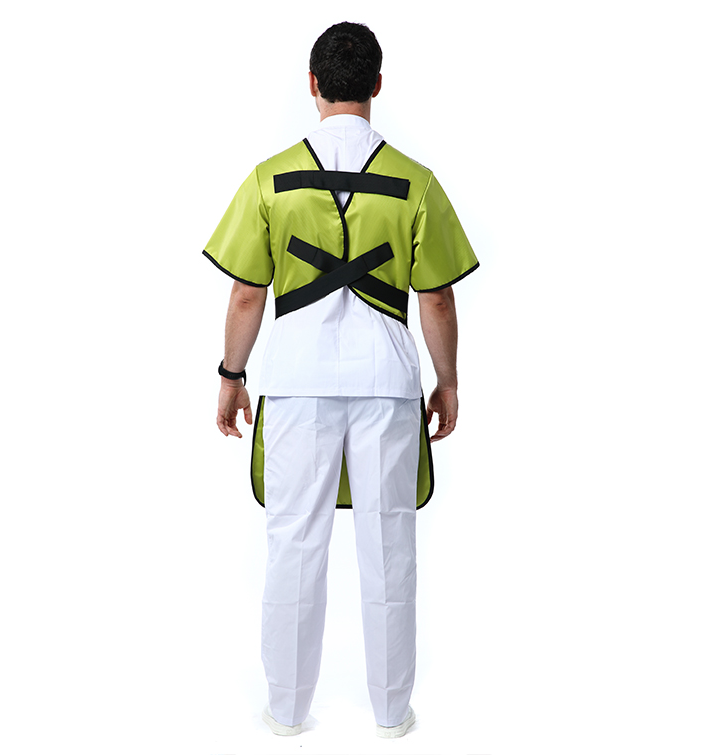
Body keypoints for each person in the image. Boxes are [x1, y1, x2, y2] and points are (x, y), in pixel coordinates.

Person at [202, 21, 478, 738]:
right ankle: (391, 713)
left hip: (296, 382)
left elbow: (246, 294)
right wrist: (448, 381)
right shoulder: (415, 182)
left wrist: (232, 374)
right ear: (377, 84)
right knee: (390, 549)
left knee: (294, 545)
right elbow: (438, 299)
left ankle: (287, 711)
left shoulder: (270, 179)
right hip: (386, 384)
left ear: (313, 84)